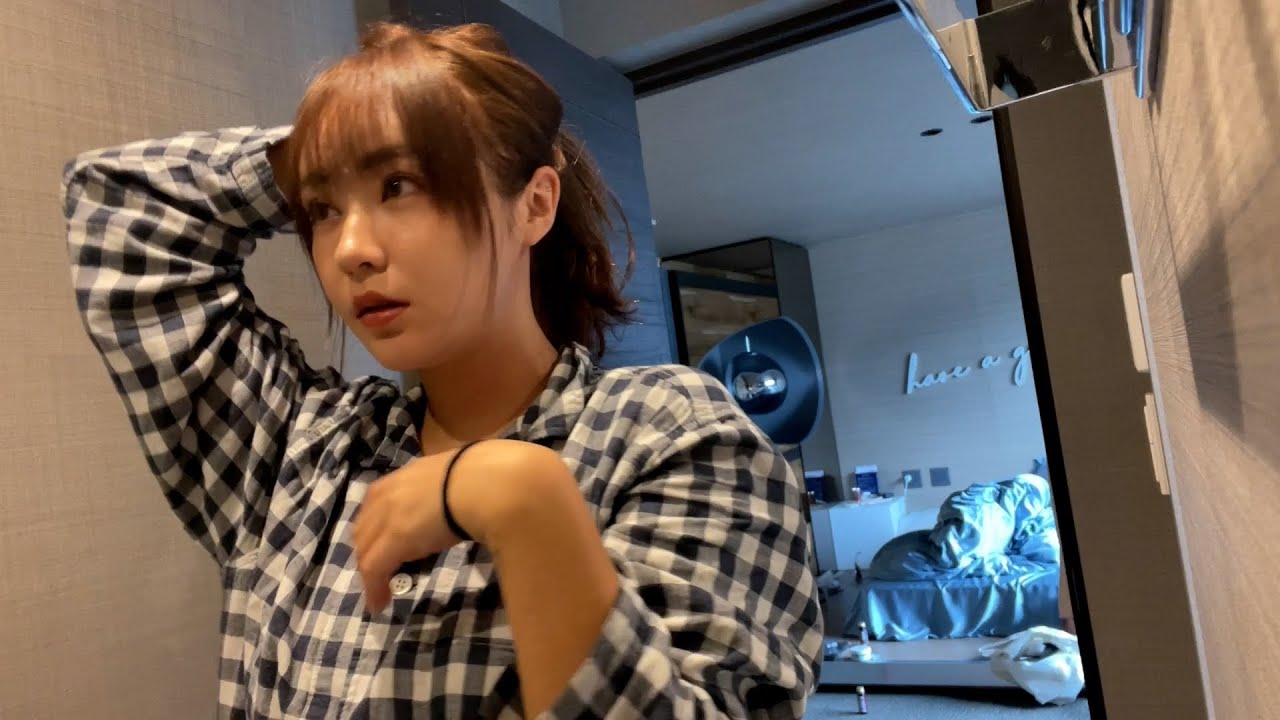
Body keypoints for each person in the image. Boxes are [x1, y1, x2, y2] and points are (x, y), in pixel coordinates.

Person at [61, 21, 821, 720]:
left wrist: (527, 511)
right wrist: (333, 138)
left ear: (533, 205)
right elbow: (121, 209)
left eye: (398, 186)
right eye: (321, 209)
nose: (351, 249)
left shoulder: (672, 437)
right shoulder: (299, 450)